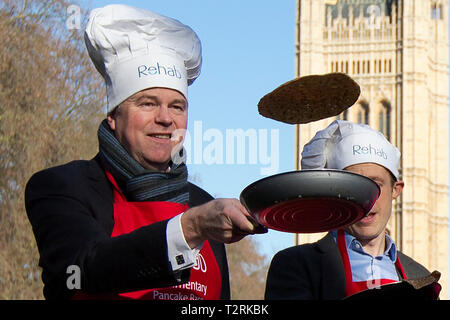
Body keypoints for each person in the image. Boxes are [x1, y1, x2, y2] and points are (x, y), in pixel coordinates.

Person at [25, 4, 265, 300]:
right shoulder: (61, 187)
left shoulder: (203, 203)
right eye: (148, 103)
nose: (166, 118)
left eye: (177, 106)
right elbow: (84, 268)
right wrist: (190, 228)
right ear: (113, 115)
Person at [264, 120, 438, 300]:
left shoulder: (420, 277)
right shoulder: (296, 265)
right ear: (335, 192)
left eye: (375, 186)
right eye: (353, 188)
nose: (366, 200)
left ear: (396, 190)